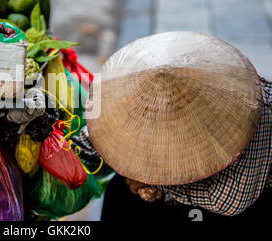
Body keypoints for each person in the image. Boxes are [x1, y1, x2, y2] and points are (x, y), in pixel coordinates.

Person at [82, 31, 271, 221]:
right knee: (119, 194)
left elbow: (230, 201)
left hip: (248, 193)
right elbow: (96, 137)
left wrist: (156, 184)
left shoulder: (259, 111)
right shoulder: (129, 95)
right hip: (188, 184)